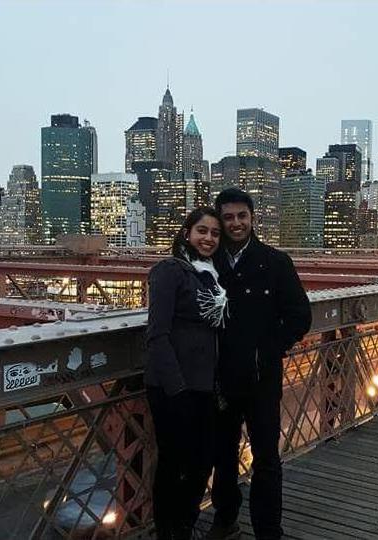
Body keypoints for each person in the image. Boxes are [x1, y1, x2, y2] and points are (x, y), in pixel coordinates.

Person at [207, 188, 312, 540]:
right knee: (222, 455)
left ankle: (269, 532)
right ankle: (225, 519)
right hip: (219, 379)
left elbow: (300, 316)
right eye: (228, 217)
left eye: (241, 216)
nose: (236, 223)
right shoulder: (207, 262)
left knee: (266, 458)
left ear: (252, 218)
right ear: (220, 221)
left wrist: (268, 350)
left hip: (261, 379)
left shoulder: (275, 262)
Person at [145, 207, 227, 540]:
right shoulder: (170, 270)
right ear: (186, 233)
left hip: (205, 386)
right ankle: (169, 531)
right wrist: (176, 389)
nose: (208, 238)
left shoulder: (213, 277)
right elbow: (157, 333)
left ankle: (184, 524)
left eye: (215, 233)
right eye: (202, 231)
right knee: (173, 463)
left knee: (201, 460)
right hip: (173, 387)